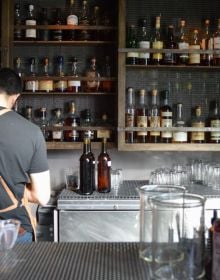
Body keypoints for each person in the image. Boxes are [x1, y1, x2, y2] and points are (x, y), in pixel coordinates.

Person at [0, 67, 51, 243]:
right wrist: (19, 189)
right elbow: (42, 196)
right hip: (12, 231)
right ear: (16, 97)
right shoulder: (31, 132)